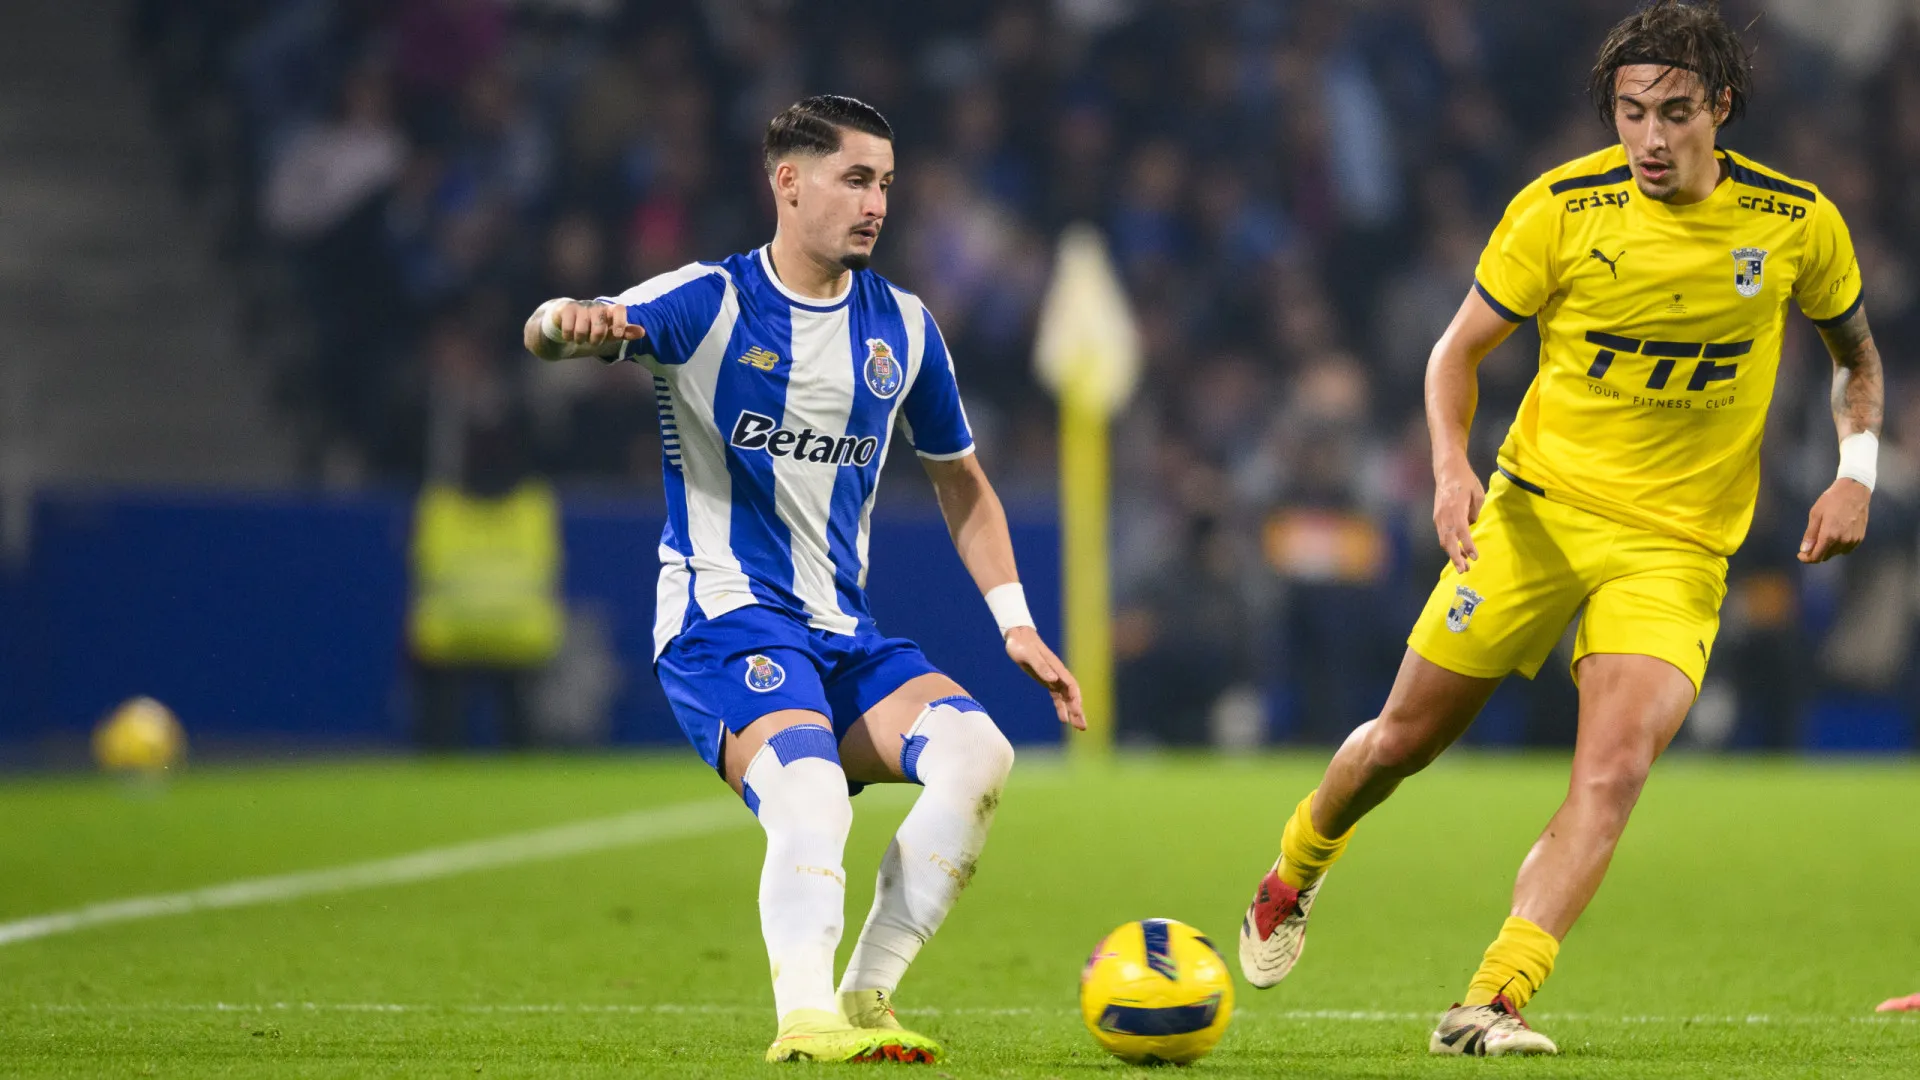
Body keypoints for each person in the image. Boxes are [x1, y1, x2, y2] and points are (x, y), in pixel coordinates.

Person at [1235, 1, 1880, 1056]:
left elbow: (1857, 357)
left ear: (1721, 106)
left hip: (1675, 549)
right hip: (1534, 516)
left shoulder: (1796, 221)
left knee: (1614, 769)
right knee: (1402, 743)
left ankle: (1492, 998)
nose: (1651, 139)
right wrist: (1450, 474)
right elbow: (1456, 354)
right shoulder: (1561, 210)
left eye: (1675, 112)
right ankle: (1298, 862)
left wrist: (1854, 472)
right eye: (1631, 113)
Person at [522, 95, 1083, 1065]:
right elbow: (567, 328)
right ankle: (804, 1018)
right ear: (789, 182)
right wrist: (563, 322)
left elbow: (967, 488)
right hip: (722, 619)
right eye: (855, 179)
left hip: (838, 631)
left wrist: (1015, 622)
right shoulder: (709, 302)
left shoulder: (904, 330)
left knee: (979, 755)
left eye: (887, 185)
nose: (876, 205)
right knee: (811, 794)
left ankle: (867, 998)